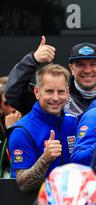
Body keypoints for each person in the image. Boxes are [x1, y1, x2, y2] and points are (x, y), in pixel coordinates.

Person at [7, 64, 77, 193]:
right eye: (49, 91)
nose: (56, 98)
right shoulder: (21, 131)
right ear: (37, 92)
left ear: (67, 92)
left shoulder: (72, 122)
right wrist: (45, 159)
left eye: (61, 91)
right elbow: (23, 184)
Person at [5, 37, 96, 116]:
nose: (87, 70)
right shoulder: (56, 97)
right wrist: (33, 59)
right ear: (71, 68)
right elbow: (14, 94)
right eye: (80, 64)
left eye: (93, 64)